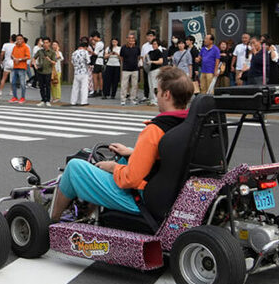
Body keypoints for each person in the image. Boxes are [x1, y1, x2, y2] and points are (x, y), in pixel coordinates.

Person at [50, 67, 194, 220]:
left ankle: (51, 221)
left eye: (156, 91)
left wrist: (112, 167)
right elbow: (169, 155)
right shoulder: (188, 124)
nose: (156, 95)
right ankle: (87, 215)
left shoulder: (155, 130)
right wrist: (133, 152)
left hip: (142, 199)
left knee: (75, 167)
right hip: (170, 194)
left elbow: (131, 179)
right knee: (124, 158)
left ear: (167, 94)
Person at [119, 33, 141, 105]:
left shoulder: (137, 48)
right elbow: (121, 58)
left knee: (134, 85)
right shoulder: (123, 48)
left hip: (135, 69)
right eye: (129, 38)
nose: (131, 40)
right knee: (124, 84)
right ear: (127, 39)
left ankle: (133, 99)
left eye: (132, 38)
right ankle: (123, 99)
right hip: (126, 68)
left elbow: (138, 57)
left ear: (134, 40)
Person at [35, 37, 57, 107]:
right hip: (40, 71)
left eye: (47, 43)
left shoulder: (52, 52)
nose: (45, 44)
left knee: (47, 86)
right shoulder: (40, 51)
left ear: (49, 43)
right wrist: (35, 65)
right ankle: (43, 100)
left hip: (48, 71)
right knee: (41, 86)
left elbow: (54, 62)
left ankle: (47, 100)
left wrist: (49, 60)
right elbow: (34, 58)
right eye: (44, 43)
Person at [10, 34, 31, 103]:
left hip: (22, 67)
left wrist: (19, 59)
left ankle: (22, 97)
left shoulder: (25, 47)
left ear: (23, 40)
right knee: (13, 83)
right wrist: (13, 58)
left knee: (22, 83)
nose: (19, 40)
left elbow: (28, 57)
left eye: (20, 39)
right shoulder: (15, 47)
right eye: (17, 39)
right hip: (15, 67)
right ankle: (15, 97)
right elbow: (12, 55)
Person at [70, 38, 91, 106]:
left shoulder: (74, 53)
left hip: (76, 72)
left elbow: (72, 62)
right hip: (84, 72)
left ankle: (73, 101)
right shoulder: (85, 52)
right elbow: (88, 61)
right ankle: (83, 101)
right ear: (85, 47)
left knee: (75, 88)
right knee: (84, 87)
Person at [147, 39, 165, 105]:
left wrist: (152, 62)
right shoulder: (150, 52)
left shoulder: (159, 52)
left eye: (155, 44)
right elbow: (146, 58)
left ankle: (156, 100)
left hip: (156, 70)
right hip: (149, 70)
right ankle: (152, 99)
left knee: (155, 85)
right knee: (150, 85)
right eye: (153, 44)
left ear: (158, 45)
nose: (154, 45)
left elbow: (161, 61)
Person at [140, 30, 157, 102]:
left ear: (154, 37)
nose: (149, 37)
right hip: (146, 65)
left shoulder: (157, 45)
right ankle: (146, 95)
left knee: (154, 82)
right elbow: (142, 56)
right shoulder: (144, 46)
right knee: (146, 81)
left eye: (151, 36)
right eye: (148, 36)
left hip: (155, 66)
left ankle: (154, 96)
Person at [91, 32, 105, 98]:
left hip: (97, 61)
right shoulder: (101, 43)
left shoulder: (98, 44)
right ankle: (101, 91)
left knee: (95, 76)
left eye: (93, 37)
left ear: (96, 37)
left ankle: (95, 91)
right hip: (101, 61)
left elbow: (95, 53)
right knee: (100, 77)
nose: (93, 39)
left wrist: (89, 51)